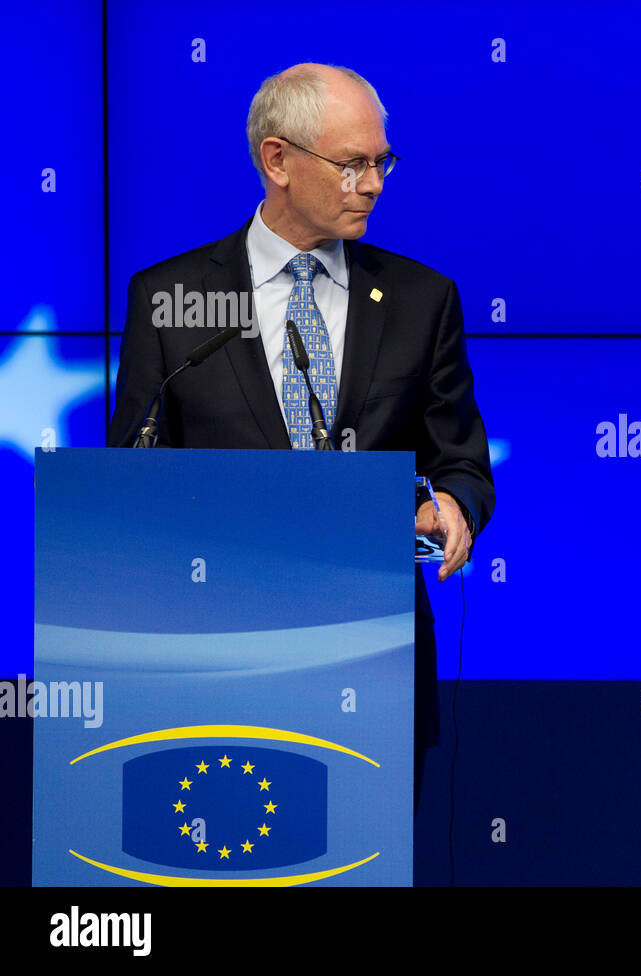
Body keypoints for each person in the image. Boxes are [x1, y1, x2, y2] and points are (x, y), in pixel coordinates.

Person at [108, 63, 494, 798]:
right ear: (277, 160)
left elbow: (463, 464)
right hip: (213, 659)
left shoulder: (422, 300)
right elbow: (131, 480)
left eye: (382, 163)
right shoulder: (171, 298)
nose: (374, 184)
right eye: (353, 165)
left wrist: (453, 507)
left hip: (376, 660)